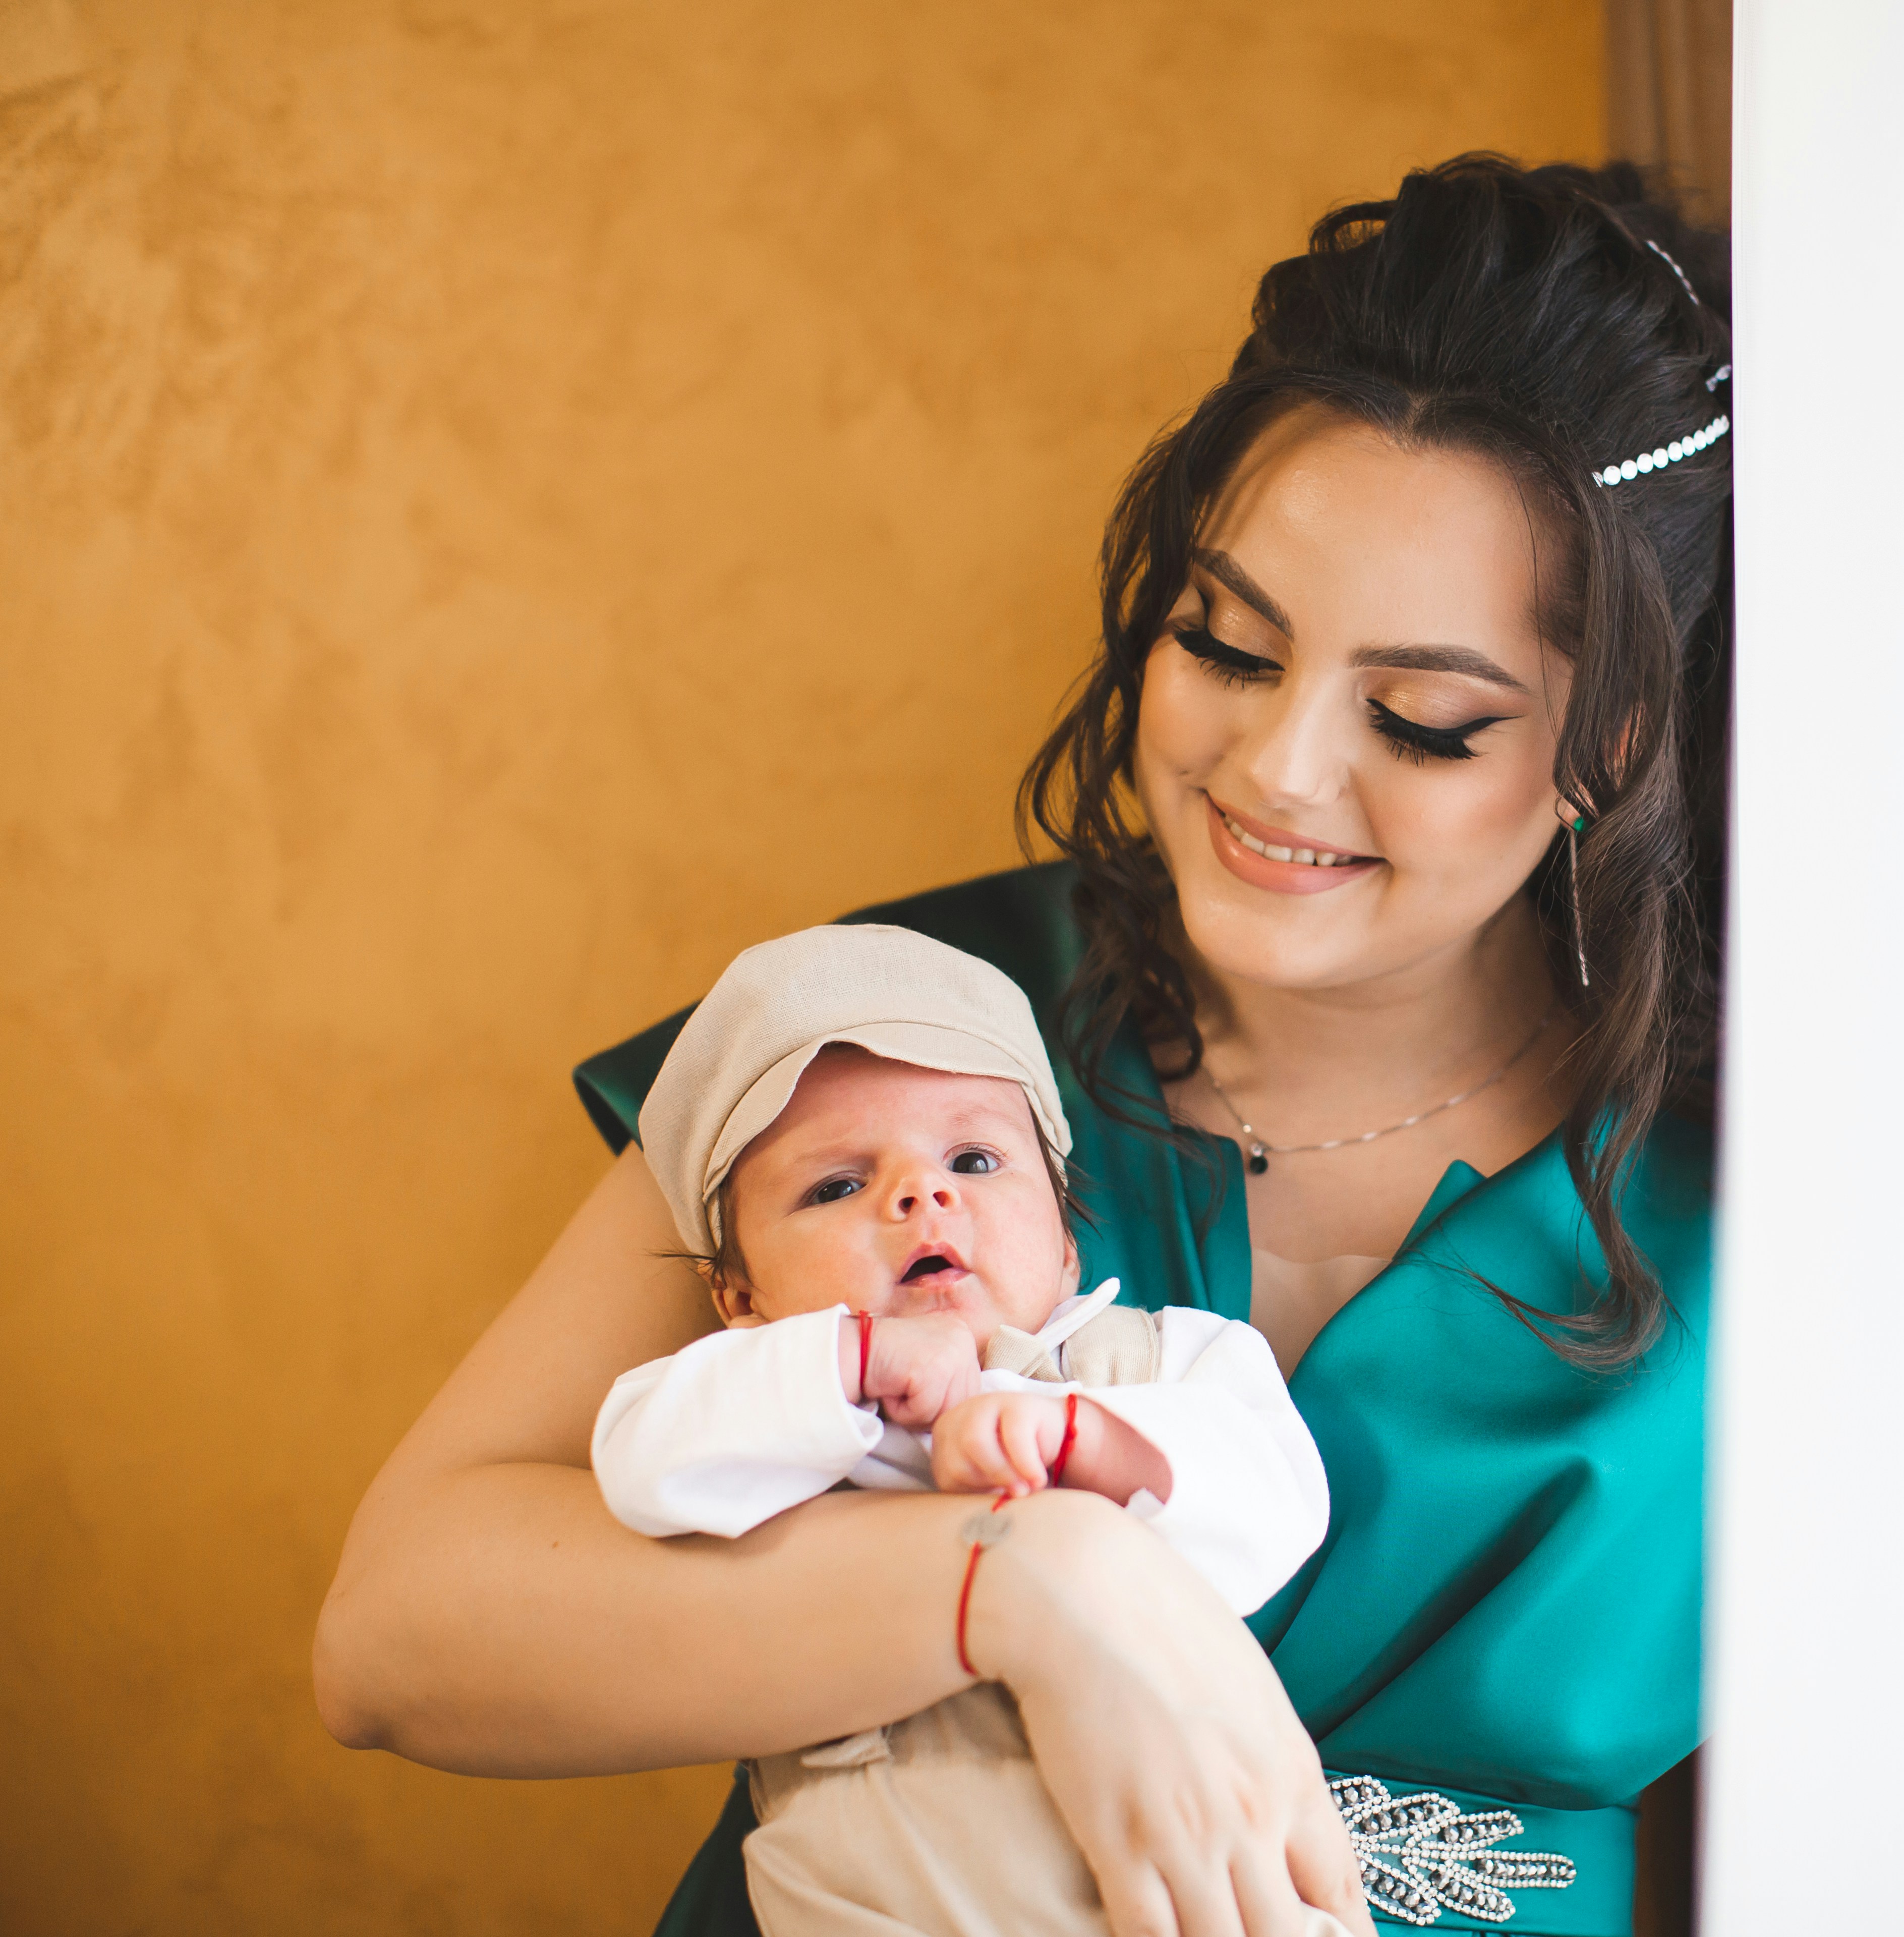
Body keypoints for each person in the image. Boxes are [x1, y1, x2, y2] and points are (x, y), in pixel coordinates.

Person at [314, 153, 1730, 1937]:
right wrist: (1020, 1586)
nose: (1280, 771)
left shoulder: (1761, 1193)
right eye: (1224, 641)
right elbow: (397, 1633)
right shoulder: (903, 1026)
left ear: (1616, 746)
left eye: (1427, 720)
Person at [594, 922, 1337, 1937]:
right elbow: (643, 1463)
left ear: (1069, 1246)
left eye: (976, 1159)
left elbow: (1277, 1502)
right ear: (741, 1296)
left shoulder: (1159, 1361)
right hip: (873, 1898)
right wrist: (848, 1367)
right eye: (837, 1186)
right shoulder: (763, 1390)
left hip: (1183, 1884)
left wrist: (1087, 1441)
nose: (920, 1193)